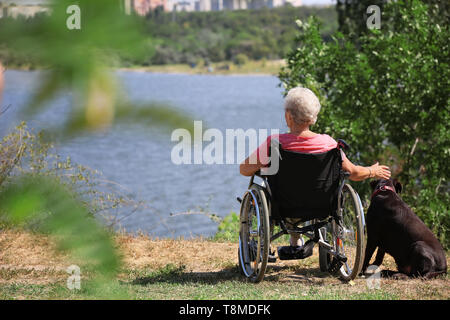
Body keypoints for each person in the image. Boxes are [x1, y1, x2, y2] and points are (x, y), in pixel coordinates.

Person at [239, 87, 391, 250]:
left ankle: (267, 244)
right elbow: (353, 173)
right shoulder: (330, 144)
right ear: (313, 117)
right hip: (322, 207)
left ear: (288, 116)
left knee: (263, 185)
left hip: (282, 207)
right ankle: (296, 238)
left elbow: (244, 170)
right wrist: (372, 171)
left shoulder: (274, 143)